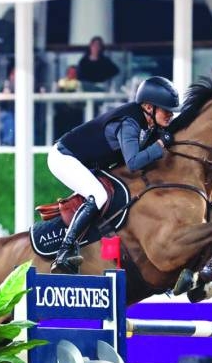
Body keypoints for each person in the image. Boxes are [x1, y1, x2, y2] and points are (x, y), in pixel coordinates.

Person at [46, 75, 179, 273]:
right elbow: (133, 162)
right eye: (166, 110)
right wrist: (159, 146)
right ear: (149, 108)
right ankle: (64, 251)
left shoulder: (150, 121)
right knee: (98, 195)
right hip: (63, 157)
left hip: (89, 162)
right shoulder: (129, 123)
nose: (171, 115)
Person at [0, 65, 15, 146]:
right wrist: (4, 91)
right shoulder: (6, 83)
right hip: (2, 112)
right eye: (14, 74)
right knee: (9, 117)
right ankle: (7, 143)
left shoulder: (25, 86)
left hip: (18, 112)